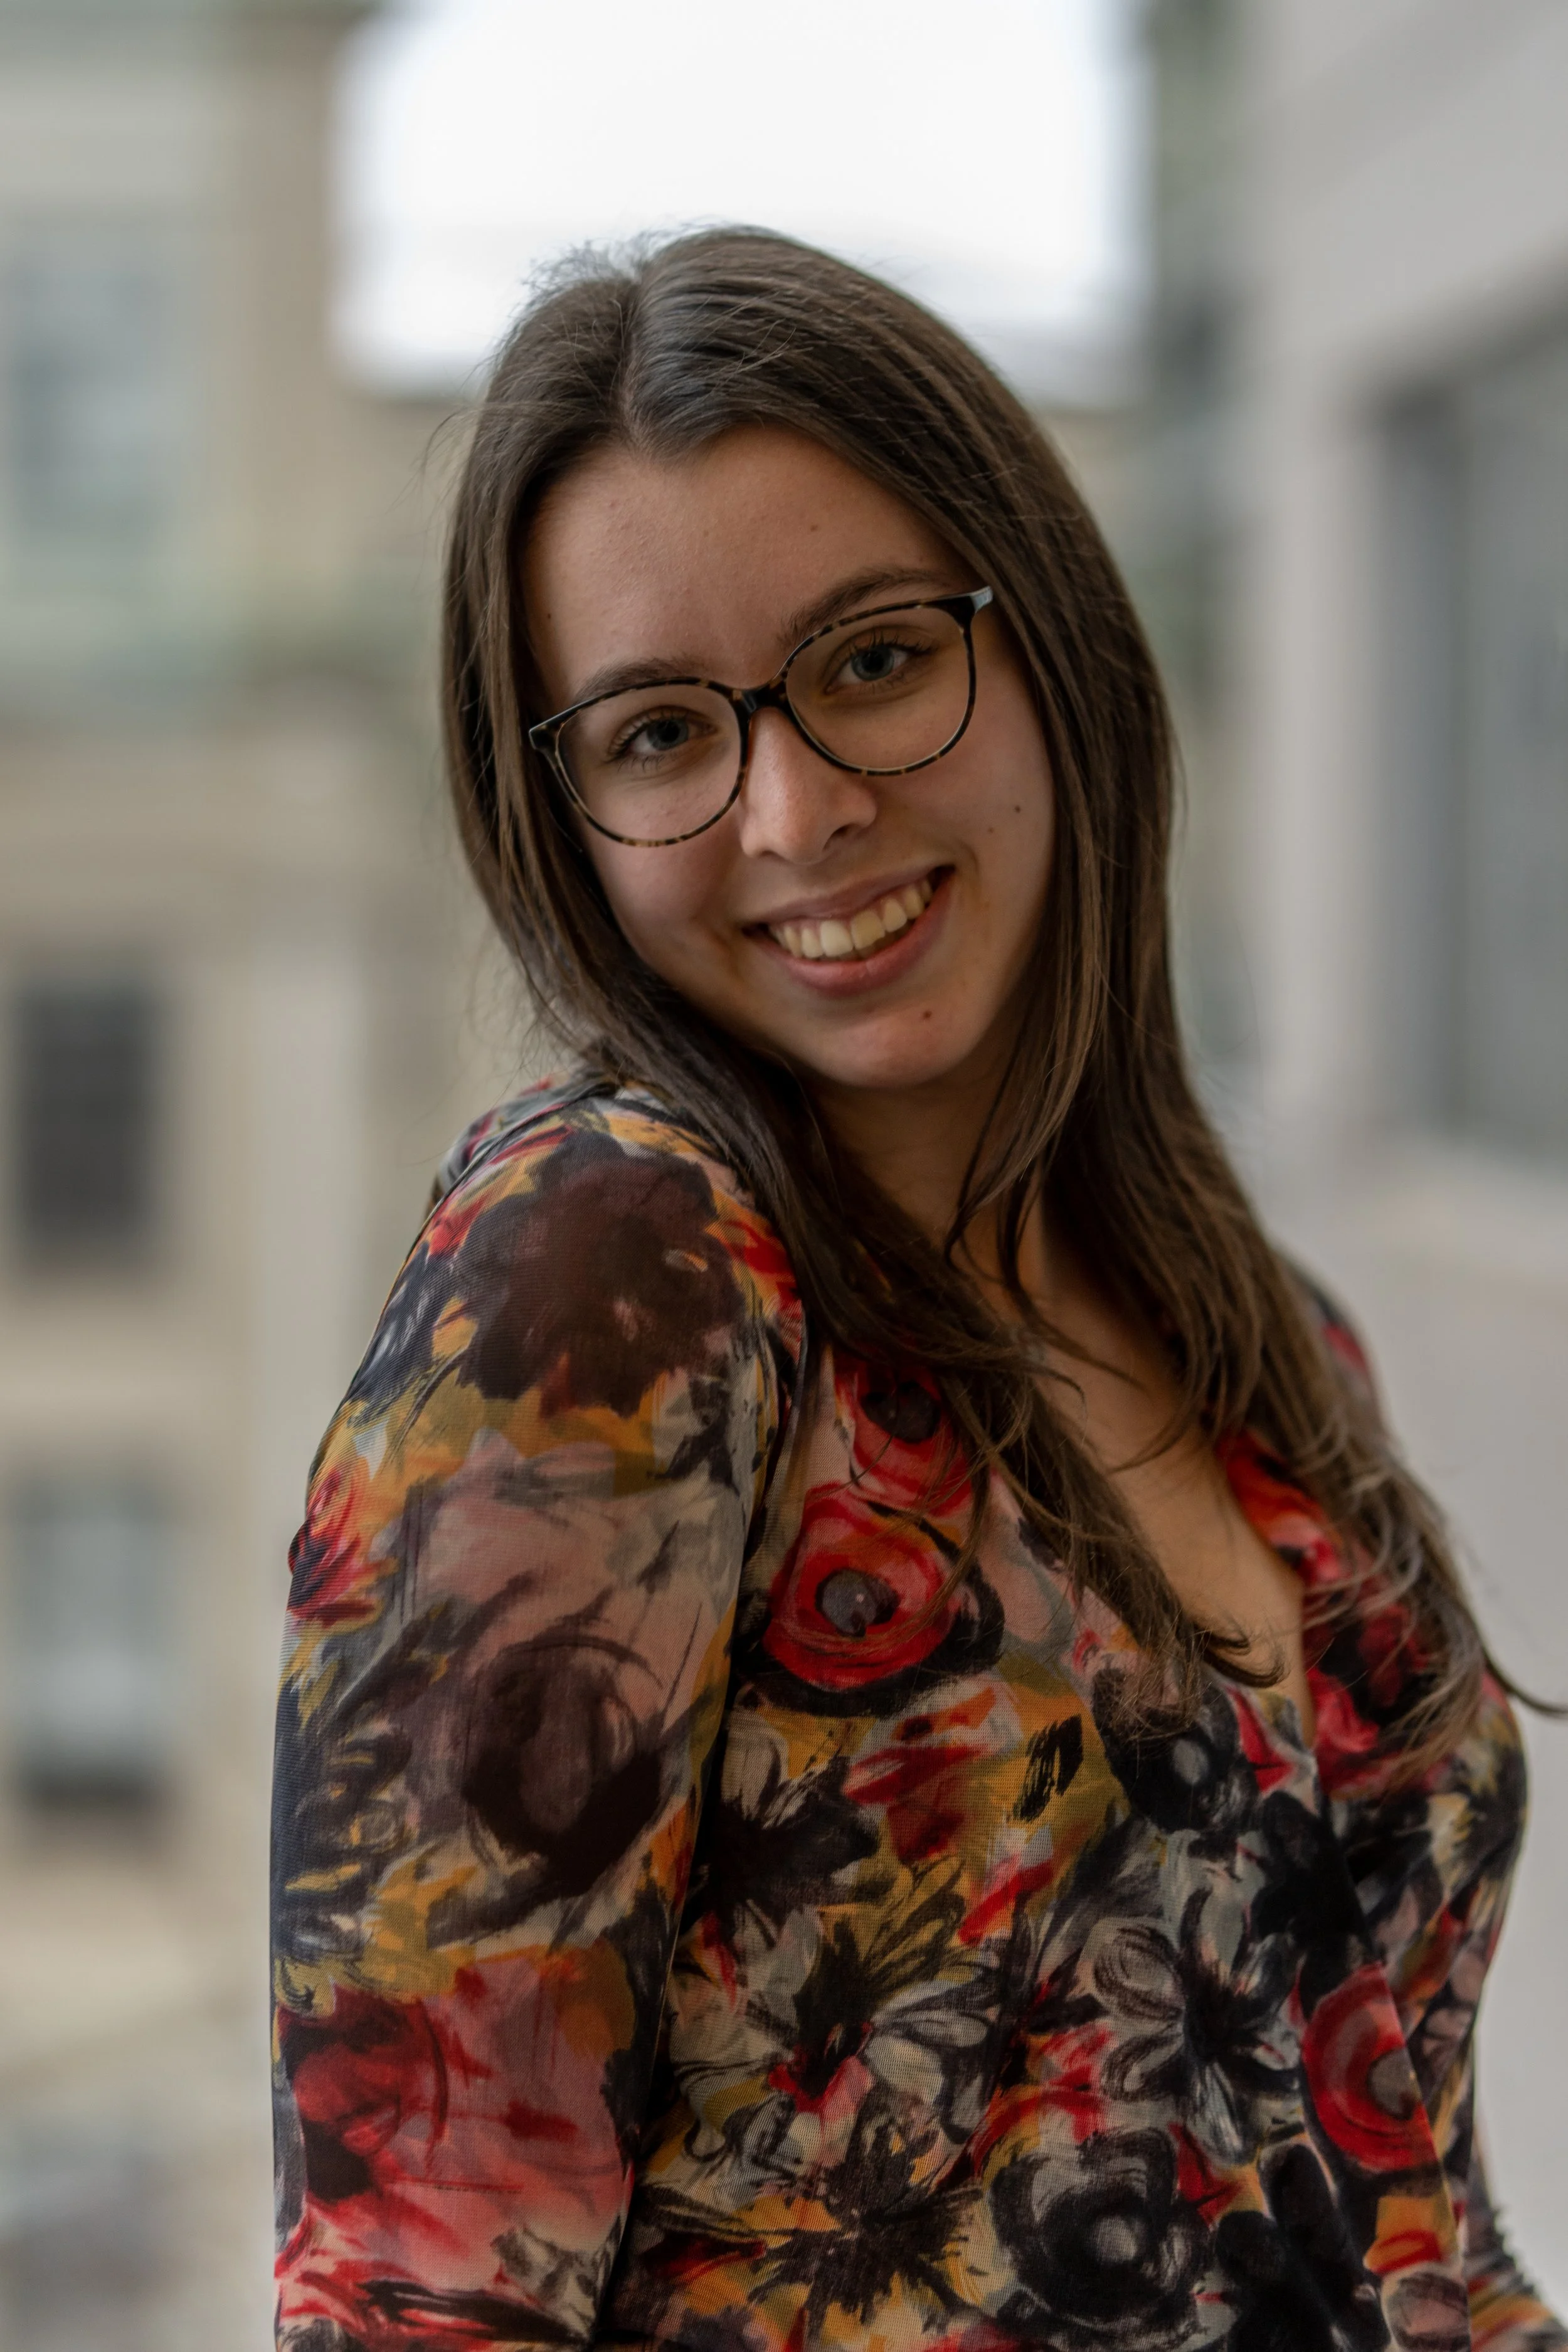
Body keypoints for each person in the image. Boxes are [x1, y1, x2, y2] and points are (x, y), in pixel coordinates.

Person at [269, 229, 1564, 2352]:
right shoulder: (607, 1280)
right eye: (663, 733)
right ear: (565, 814)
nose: (795, 812)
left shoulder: (1256, 1328)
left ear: (1043, 638)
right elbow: (423, 2276)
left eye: (874, 659)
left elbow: (1404, 2202)